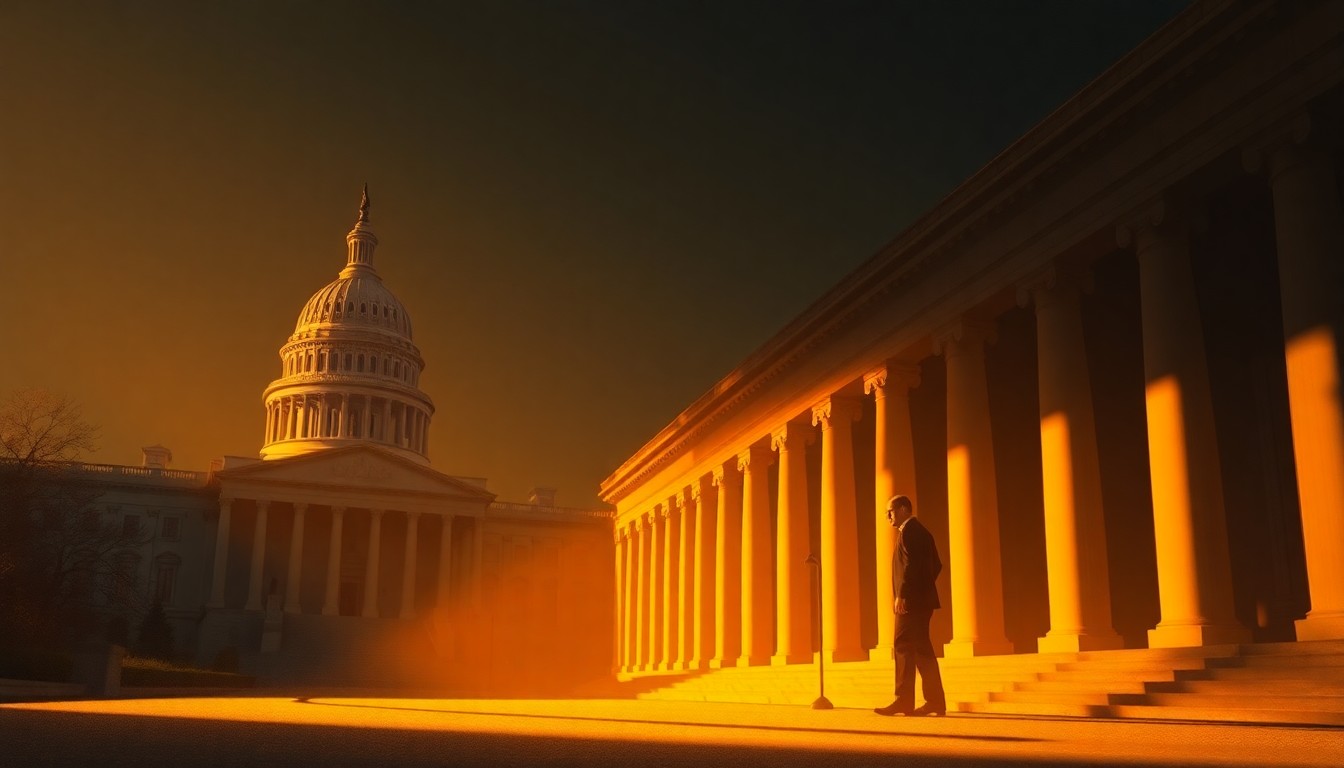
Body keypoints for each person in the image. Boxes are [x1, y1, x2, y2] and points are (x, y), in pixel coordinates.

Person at [874, 494, 947, 717]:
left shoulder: (910, 532)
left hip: (911, 604)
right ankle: (935, 702)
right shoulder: (920, 532)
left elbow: (911, 566)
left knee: (903, 646)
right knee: (922, 650)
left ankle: (903, 700)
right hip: (920, 602)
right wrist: (923, 590)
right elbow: (937, 565)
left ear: (905, 509)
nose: (887, 516)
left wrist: (904, 594)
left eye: (891, 511)